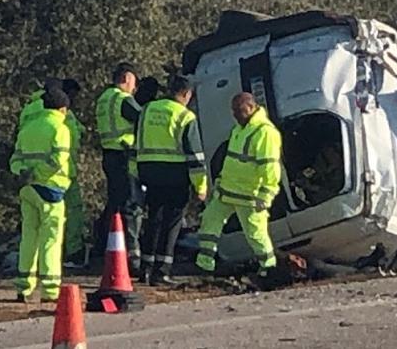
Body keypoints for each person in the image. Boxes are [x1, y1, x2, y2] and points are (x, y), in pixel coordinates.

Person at [196, 93, 283, 276]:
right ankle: (204, 264)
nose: (235, 115)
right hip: (227, 191)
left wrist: (265, 195)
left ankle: (269, 269)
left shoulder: (265, 132)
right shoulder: (240, 129)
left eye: (239, 111)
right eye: (234, 111)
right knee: (209, 221)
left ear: (251, 108)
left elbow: (270, 168)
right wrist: (220, 182)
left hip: (249, 195)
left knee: (256, 234)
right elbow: (232, 160)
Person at [136, 74, 208, 285]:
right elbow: (195, 156)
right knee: (172, 222)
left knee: (153, 219)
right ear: (186, 94)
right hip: (175, 173)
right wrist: (201, 187)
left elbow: (137, 141)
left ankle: (145, 267)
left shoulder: (147, 110)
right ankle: (162, 271)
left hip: (149, 171)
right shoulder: (185, 117)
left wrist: (137, 171)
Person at [9, 86, 72, 303]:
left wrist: (23, 174)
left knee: (29, 236)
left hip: (27, 189)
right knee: (51, 240)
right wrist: (38, 174)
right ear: (63, 109)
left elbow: (15, 160)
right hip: (50, 189)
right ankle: (50, 289)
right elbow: (58, 161)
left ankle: (24, 286)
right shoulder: (60, 128)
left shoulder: (28, 129)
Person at [96, 63, 144, 272]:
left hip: (109, 155)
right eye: (134, 82)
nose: (135, 88)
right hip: (124, 156)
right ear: (126, 78)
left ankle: (107, 251)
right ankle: (132, 259)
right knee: (131, 206)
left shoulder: (103, 99)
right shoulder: (122, 100)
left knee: (114, 205)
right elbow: (143, 119)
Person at [60, 79, 86, 268]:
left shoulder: (67, 114)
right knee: (71, 211)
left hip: (63, 170)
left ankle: (70, 251)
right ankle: (72, 252)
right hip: (62, 171)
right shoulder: (61, 114)